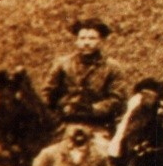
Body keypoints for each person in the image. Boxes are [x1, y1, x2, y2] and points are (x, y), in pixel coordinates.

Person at [44, 18, 126, 152]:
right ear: (76, 40)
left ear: (101, 41)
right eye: (82, 38)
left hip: (97, 128)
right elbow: (47, 94)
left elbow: (117, 99)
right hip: (64, 126)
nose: (86, 43)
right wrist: (64, 105)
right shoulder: (63, 64)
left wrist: (92, 109)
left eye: (92, 38)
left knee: (102, 158)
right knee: (46, 159)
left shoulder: (112, 68)